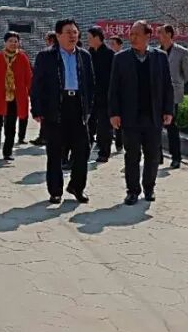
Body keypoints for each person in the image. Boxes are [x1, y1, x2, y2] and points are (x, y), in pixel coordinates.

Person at [108, 21, 175, 204]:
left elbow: (167, 86)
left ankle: (149, 188)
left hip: (153, 115)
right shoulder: (121, 58)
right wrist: (114, 113)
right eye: (131, 34)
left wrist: (168, 110)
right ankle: (132, 190)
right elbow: (114, 89)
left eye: (137, 34)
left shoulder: (160, 57)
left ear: (148, 36)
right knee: (132, 155)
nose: (133, 37)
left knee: (152, 155)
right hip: (130, 116)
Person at [31, 19, 95, 204]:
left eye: (75, 32)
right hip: (56, 107)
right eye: (68, 32)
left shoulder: (84, 56)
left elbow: (90, 84)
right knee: (55, 151)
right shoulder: (46, 56)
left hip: (78, 106)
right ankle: (55, 190)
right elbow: (37, 85)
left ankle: (77, 187)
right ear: (58, 35)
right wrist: (37, 109)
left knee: (83, 150)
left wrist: (89, 107)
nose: (73, 36)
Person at [0, 31, 33, 162]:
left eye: (16, 41)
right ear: (5, 42)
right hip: (0, 95)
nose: (13, 43)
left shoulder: (22, 57)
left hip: (16, 97)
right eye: (10, 41)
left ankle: (8, 151)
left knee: (11, 126)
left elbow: (28, 77)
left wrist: (33, 93)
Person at [157, 24, 188, 170]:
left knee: (171, 126)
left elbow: (187, 74)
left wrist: (177, 82)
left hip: (173, 94)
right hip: (157, 94)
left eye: (162, 33)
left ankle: (176, 157)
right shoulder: (156, 52)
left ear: (170, 34)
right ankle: (157, 155)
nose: (159, 36)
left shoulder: (181, 52)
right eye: (159, 33)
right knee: (155, 126)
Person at [86, 26, 115, 163]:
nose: (88, 40)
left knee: (104, 126)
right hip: (91, 96)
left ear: (97, 37)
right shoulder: (88, 54)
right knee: (88, 125)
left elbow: (114, 77)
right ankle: (85, 150)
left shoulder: (110, 55)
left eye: (90, 38)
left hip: (105, 96)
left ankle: (104, 152)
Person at [29, 31, 59, 148]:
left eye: (47, 40)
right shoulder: (44, 55)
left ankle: (44, 138)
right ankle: (44, 137)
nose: (46, 42)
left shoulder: (46, 55)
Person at [107, 35, 125, 151]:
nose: (111, 46)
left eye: (113, 44)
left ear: (120, 45)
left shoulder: (124, 58)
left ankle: (120, 143)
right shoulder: (109, 57)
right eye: (110, 44)